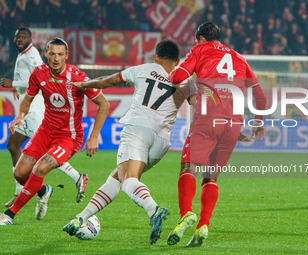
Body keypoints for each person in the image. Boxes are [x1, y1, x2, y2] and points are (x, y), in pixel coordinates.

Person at [62, 40, 193, 245]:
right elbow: (202, 106)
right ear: (177, 61)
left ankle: (153, 210)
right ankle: (81, 218)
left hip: (137, 129)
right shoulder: (184, 82)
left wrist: (85, 84)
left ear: (156, 57)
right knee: (117, 177)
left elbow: (107, 81)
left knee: (128, 179)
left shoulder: (144, 69)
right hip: (162, 141)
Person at [167, 22, 266, 247]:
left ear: (201, 39)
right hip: (233, 125)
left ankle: (186, 214)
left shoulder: (200, 50)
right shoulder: (240, 58)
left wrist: (183, 73)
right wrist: (258, 123)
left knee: (188, 168)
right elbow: (260, 97)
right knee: (210, 177)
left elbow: (176, 78)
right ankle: (203, 225)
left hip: (207, 118)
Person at [0, 37, 109, 225]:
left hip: (69, 137)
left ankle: (9, 214)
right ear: (46, 55)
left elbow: (104, 104)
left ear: (67, 56)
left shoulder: (77, 77)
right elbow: (27, 99)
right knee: (19, 173)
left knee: (40, 168)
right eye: (52, 54)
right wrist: (19, 116)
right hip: (45, 131)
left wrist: (94, 137)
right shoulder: (38, 74)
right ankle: (43, 191)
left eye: (60, 54)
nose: (56, 58)